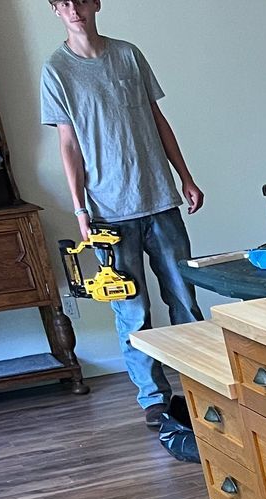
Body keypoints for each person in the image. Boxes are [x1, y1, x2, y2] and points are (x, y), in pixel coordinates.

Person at [40, 0, 205, 432]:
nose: (74, 8)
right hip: (109, 214)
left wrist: (185, 177)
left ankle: (201, 388)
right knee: (132, 311)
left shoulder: (128, 55)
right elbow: (69, 146)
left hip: (160, 200)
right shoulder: (56, 70)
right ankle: (153, 399)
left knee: (185, 301)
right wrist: (79, 208)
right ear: (56, 11)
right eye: (63, 2)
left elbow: (158, 120)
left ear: (96, 4)